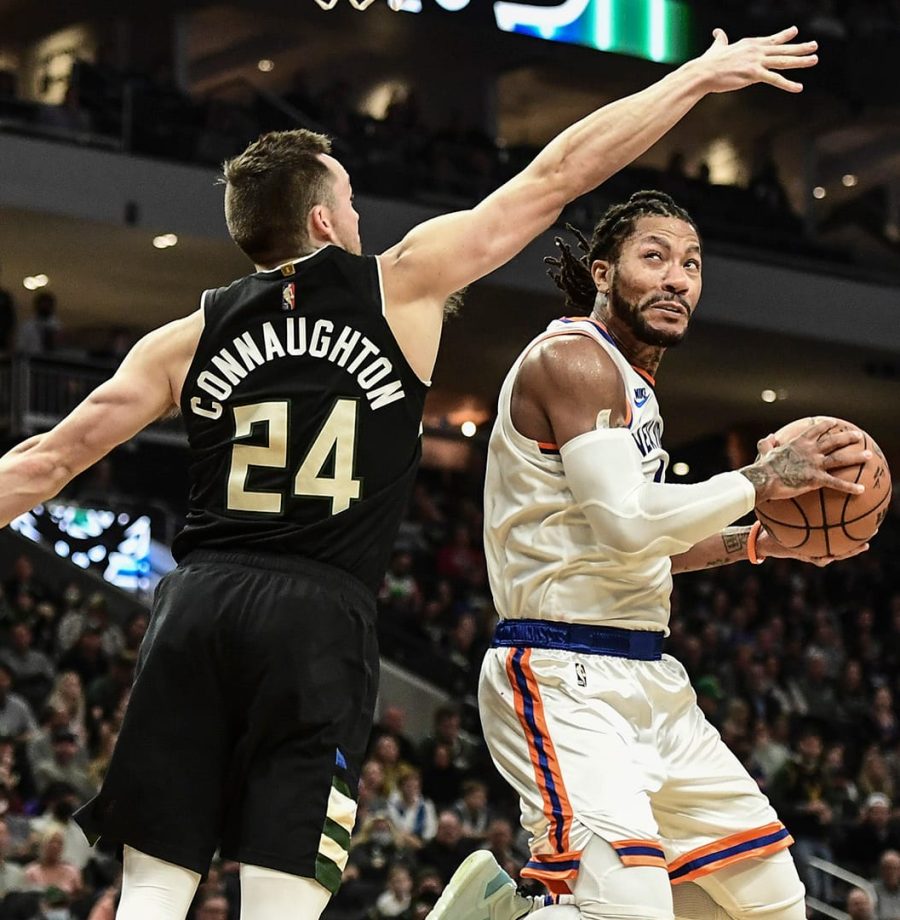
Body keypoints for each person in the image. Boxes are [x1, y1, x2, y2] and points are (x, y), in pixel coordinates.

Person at [0, 24, 819, 920]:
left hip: (195, 599)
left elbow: (43, 463)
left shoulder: (183, 338)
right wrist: (696, 80)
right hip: (317, 614)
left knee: (155, 886)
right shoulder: (397, 287)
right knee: (282, 895)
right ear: (322, 222)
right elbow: (559, 175)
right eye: (350, 201)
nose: (360, 218)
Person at [432, 187, 871, 919]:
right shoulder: (572, 360)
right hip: (561, 669)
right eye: (655, 257)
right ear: (603, 273)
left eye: (692, 265)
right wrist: (760, 481)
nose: (678, 278)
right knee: (630, 908)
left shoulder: (638, 388)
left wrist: (756, 540)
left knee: (768, 903)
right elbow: (630, 527)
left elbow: (652, 548)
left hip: (650, 677)